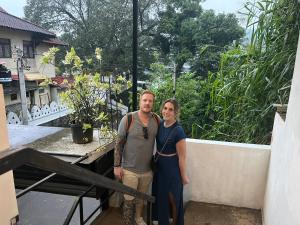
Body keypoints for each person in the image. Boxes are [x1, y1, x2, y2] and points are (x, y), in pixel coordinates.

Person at [114, 90, 159, 225]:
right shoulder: (128, 119)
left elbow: (166, 134)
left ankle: (138, 218)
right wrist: (116, 166)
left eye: (150, 101)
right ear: (140, 102)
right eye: (145, 100)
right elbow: (119, 143)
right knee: (128, 200)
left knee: (141, 199)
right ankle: (128, 222)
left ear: (153, 103)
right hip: (129, 170)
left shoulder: (157, 120)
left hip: (147, 170)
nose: (147, 103)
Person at [152, 98, 189, 225]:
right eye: (165, 108)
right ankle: (163, 222)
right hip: (160, 167)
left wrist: (184, 176)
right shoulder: (160, 124)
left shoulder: (178, 131)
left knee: (173, 198)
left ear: (176, 113)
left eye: (171, 109)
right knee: (161, 198)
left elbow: (182, 157)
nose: (167, 111)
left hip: (172, 167)